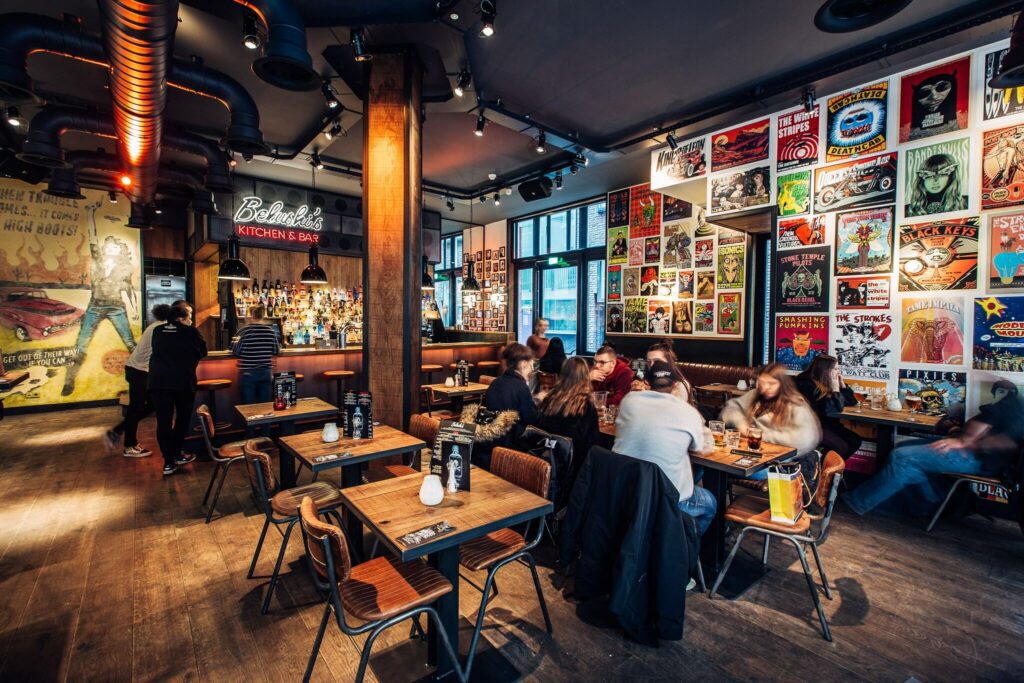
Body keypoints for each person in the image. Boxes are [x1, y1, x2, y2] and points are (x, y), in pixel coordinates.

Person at [845, 380, 1024, 517]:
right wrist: (958, 434)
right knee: (900, 449)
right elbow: (988, 426)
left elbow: (1005, 440)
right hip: (977, 452)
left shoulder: (1012, 404)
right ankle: (925, 502)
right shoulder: (1014, 402)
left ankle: (858, 502)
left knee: (904, 458)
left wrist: (967, 441)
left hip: (982, 459)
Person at [613, 360, 716, 545]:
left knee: (694, 473)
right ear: (675, 385)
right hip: (667, 500)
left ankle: (661, 544)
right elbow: (703, 448)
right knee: (710, 502)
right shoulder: (687, 412)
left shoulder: (628, 401)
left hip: (625, 491)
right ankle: (680, 552)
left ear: (648, 383)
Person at [62, 201, 139, 396]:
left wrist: (135, 310)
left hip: (116, 307)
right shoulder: (97, 259)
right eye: (107, 246)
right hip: (95, 305)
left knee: (131, 344)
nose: (108, 248)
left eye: (113, 247)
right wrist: (90, 213)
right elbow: (93, 235)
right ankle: (69, 381)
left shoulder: (125, 267)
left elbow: (129, 289)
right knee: (81, 344)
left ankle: (141, 382)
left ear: (119, 250)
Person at [721, 363, 821, 479]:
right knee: (721, 464)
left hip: (779, 461)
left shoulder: (795, 404)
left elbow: (805, 438)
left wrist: (760, 435)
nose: (765, 388)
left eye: (771, 384)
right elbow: (731, 407)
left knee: (733, 468)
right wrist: (741, 423)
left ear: (782, 384)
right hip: (754, 454)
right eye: (762, 383)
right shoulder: (755, 395)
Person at [149, 303, 208, 476]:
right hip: (182, 382)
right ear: (180, 318)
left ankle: (168, 462)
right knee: (182, 419)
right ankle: (176, 453)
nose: (191, 320)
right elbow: (202, 351)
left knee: (163, 422)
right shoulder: (190, 331)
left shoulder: (157, 331)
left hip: (158, 382)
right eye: (189, 316)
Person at [107, 303, 172, 457]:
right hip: (139, 372)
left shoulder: (155, 325)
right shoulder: (162, 328)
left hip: (138, 370)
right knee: (137, 407)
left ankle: (117, 431)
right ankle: (129, 446)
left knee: (151, 405)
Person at [795, 354, 862, 458]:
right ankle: (824, 468)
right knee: (842, 447)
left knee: (855, 440)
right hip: (812, 427)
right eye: (835, 369)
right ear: (825, 370)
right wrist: (835, 389)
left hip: (828, 425)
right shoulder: (806, 385)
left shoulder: (827, 382)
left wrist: (842, 385)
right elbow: (833, 410)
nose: (838, 372)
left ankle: (833, 468)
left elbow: (852, 402)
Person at [537, 357, 600, 468]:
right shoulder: (585, 405)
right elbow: (592, 442)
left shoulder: (550, 398)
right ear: (585, 377)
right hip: (573, 464)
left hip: (546, 458)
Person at [483, 343, 538, 447]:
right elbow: (531, 419)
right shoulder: (521, 388)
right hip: (511, 445)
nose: (531, 369)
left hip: (491, 442)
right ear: (523, 364)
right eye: (531, 365)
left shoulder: (495, 382)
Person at [232, 305, 281, 405]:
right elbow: (276, 351)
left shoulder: (243, 331)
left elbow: (235, 351)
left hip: (248, 373)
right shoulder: (270, 332)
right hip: (265, 372)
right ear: (263, 316)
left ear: (250, 315)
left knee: (248, 408)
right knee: (264, 407)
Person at [630, 339, 694, 404]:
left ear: (668, 362)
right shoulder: (646, 381)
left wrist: (646, 396)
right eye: (649, 362)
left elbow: (670, 411)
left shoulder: (680, 385)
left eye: (658, 361)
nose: (652, 365)